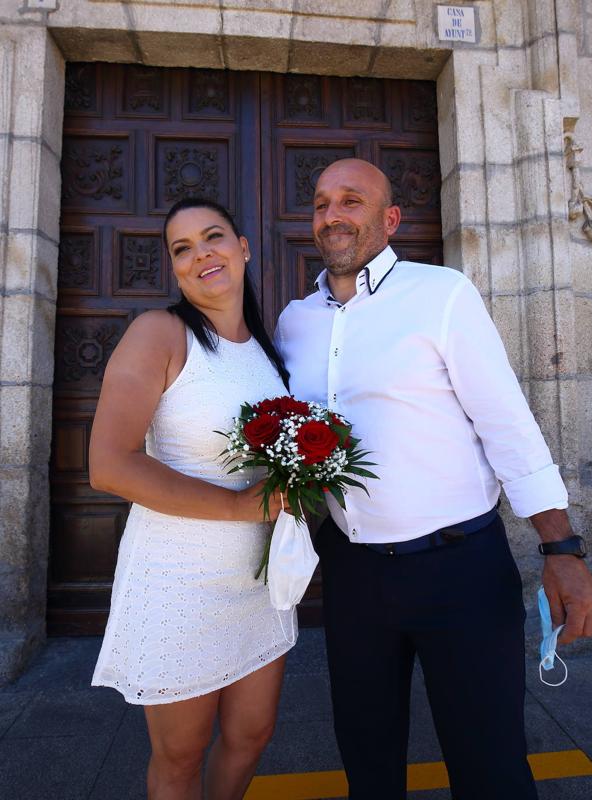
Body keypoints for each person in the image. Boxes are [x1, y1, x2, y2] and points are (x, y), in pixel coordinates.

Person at [275, 158, 592, 800]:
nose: (332, 215)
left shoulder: (443, 293)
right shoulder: (294, 321)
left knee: (490, 767)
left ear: (389, 219)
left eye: (351, 201)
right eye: (320, 204)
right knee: (368, 763)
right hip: (354, 576)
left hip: (460, 571)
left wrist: (561, 551)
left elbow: (506, 424)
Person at [90, 197, 296, 800]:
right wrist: (238, 506)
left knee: (252, 735)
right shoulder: (160, 333)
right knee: (180, 756)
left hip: (257, 583)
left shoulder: (266, 349)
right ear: (175, 269)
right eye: (182, 248)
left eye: (213, 237)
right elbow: (108, 464)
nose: (201, 253)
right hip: (177, 577)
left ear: (243, 248)